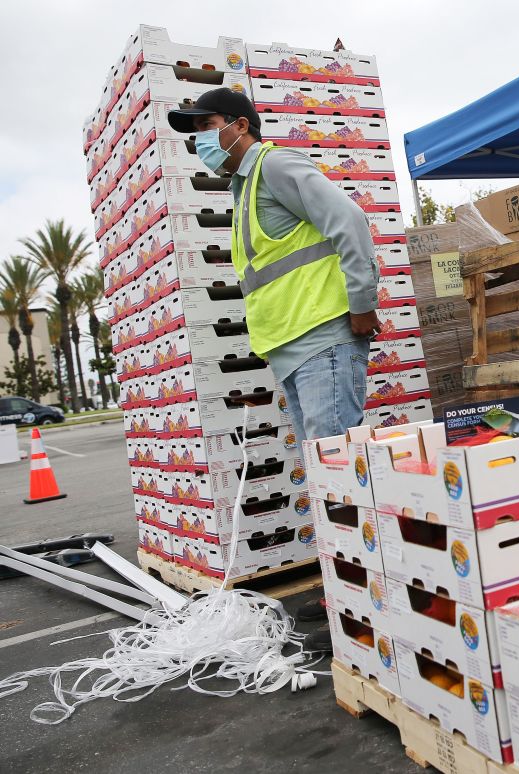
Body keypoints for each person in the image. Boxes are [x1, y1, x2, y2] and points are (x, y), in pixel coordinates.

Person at [169, 89, 381, 649]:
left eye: (206, 125)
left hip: (324, 339)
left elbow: (350, 220)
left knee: (338, 471)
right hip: (292, 347)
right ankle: (346, 587)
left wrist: (361, 304)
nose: (199, 139)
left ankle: (362, 601)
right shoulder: (243, 189)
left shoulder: (275, 165)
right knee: (326, 472)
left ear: (239, 126)